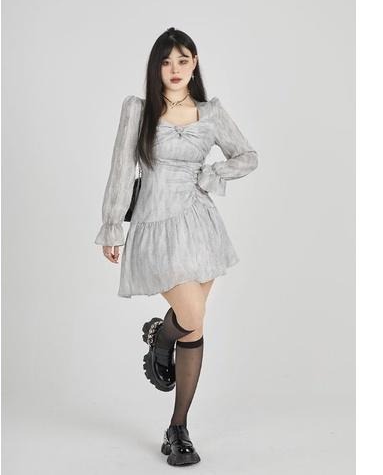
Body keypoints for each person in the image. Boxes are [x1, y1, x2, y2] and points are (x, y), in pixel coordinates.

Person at [95, 27, 258, 466]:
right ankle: (160, 336)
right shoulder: (139, 110)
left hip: (200, 224)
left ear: (195, 63)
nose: (174, 69)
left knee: (196, 325)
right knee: (191, 315)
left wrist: (213, 174)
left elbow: (247, 156)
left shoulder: (210, 112)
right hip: (154, 223)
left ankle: (178, 427)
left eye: (183, 60)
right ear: (156, 67)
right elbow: (120, 167)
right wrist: (111, 226)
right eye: (166, 62)